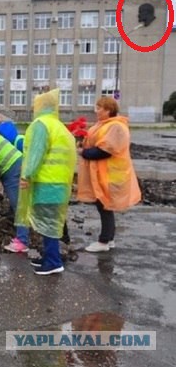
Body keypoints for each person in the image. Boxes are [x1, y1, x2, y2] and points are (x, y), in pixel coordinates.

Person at [15, 89, 76, 275]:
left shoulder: (41, 125)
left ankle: (53, 262)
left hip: (46, 183)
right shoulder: (59, 127)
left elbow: (35, 153)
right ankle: (50, 256)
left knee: (48, 224)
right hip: (59, 184)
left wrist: (26, 175)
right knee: (50, 223)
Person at [77, 97, 141, 252]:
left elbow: (104, 151)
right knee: (104, 206)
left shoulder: (116, 127)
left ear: (108, 110)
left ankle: (104, 241)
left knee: (105, 205)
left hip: (111, 174)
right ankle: (109, 238)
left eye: (99, 108)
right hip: (104, 173)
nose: (96, 111)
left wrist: (84, 152)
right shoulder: (105, 125)